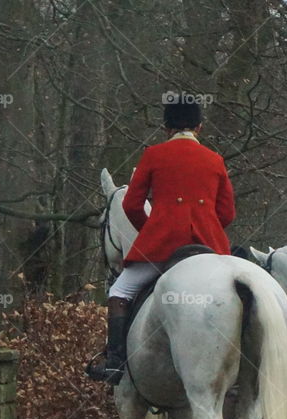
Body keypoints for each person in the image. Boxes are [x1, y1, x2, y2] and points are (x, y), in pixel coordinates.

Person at [86, 99, 235, 384]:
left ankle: (115, 363)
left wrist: (152, 231)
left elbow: (131, 205)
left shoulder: (154, 155)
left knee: (119, 292)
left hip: (163, 248)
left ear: (166, 128)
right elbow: (227, 213)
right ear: (199, 127)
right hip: (208, 248)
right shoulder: (215, 160)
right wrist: (207, 229)